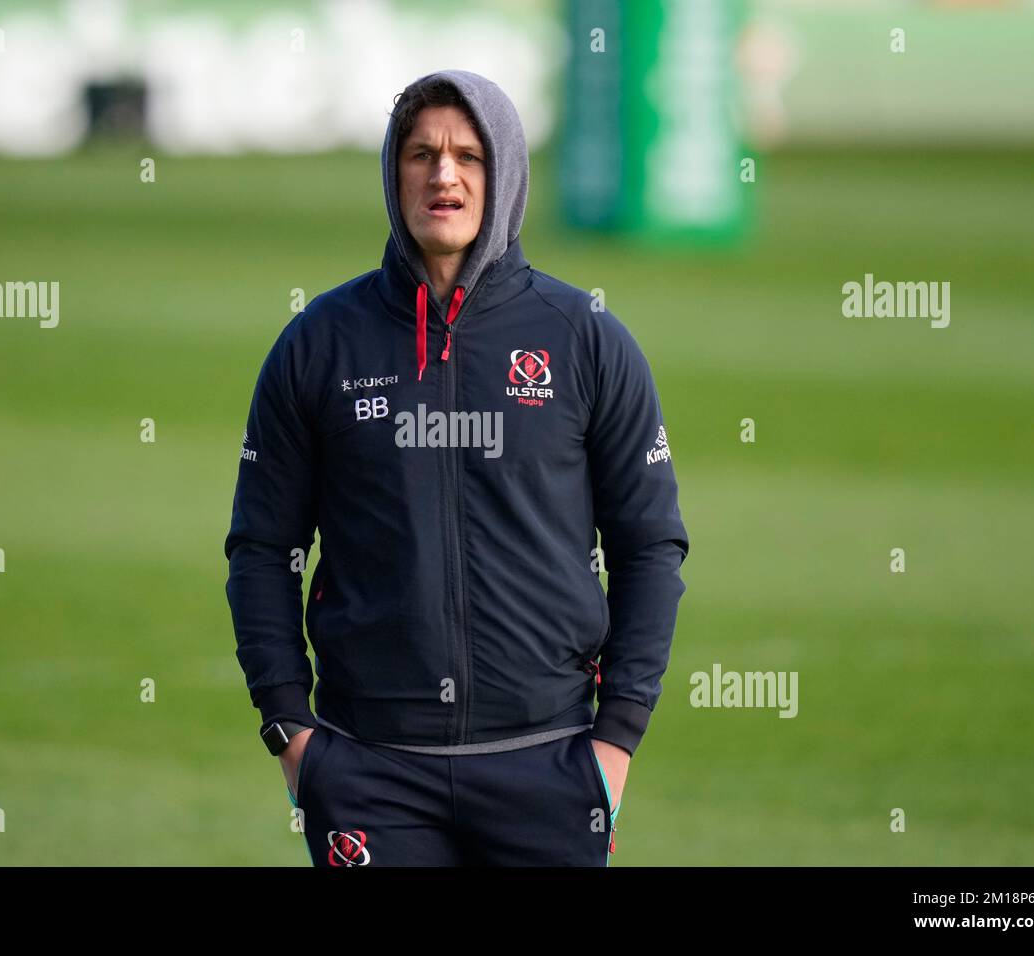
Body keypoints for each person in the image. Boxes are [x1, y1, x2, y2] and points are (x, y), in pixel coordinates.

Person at [223, 69, 688, 866]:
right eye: (421, 154)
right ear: (392, 171)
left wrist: (617, 741)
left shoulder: (584, 337)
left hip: (551, 762)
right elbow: (262, 547)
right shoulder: (319, 343)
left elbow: (650, 545)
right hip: (369, 768)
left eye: (469, 156)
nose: (444, 175)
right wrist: (291, 735)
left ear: (502, 172)